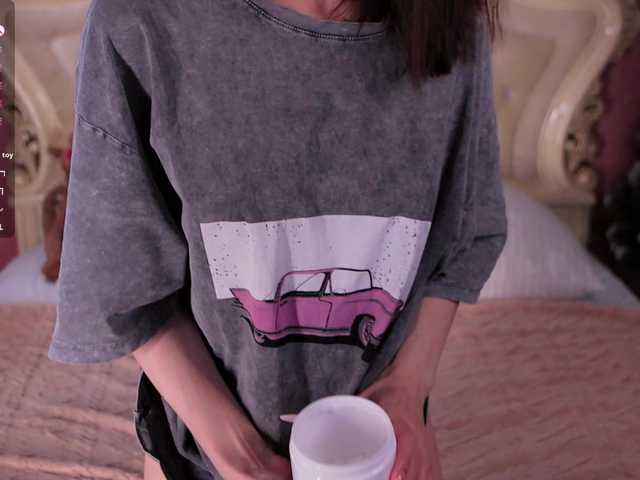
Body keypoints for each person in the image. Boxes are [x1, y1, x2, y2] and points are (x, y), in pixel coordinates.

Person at [48, 0, 506, 477]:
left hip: (386, 455)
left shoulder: (452, 18)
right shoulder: (138, 19)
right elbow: (120, 283)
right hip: (203, 454)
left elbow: (463, 237)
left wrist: (409, 387)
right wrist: (237, 453)